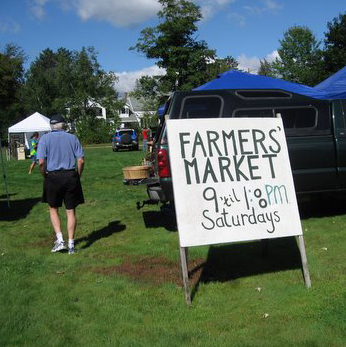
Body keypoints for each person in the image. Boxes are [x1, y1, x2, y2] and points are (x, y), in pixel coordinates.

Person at [37, 114, 85, 255]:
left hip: (53, 177)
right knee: (70, 211)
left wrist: (44, 174)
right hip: (70, 176)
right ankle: (71, 244)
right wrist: (78, 175)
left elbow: (41, 162)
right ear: (64, 125)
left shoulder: (44, 139)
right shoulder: (72, 138)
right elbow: (81, 160)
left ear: (51, 126)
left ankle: (60, 240)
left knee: (53, 208)